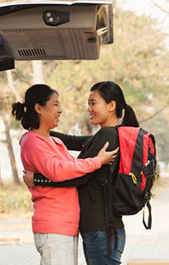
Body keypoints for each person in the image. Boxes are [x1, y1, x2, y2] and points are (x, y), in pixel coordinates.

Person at [23, 81, 139, 265]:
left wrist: (37, 179)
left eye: (93, 103)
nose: (89, 108)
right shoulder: (112, 134)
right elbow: (74, 141)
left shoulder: (107, 136)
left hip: (100, 227)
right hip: (102, 227)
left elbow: (78, 176)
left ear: (111, 106)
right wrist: (39, 129)